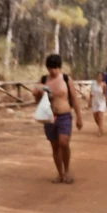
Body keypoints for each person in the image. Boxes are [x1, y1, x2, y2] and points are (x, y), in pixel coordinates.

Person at [32, 54, 83, 184]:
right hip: (49, 117)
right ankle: (60, 174)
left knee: (64, 143)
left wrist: (79, 117)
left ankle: (67, 171)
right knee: (55, 146)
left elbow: (75, 99)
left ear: (59, 67)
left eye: (55, 68)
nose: (53, 71)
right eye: (50, 68)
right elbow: (36, 97)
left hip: (64, 115)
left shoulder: (66, 79)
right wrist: (38, 95)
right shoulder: (43, 80)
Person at [89, 72, 107, 137]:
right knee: (96, 118)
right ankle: (101, 127)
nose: (99, 77)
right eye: (98, 76)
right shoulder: (93, 84)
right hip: (95, 101)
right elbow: (91, 94)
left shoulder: (104, 85)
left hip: (101, 101)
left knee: (100, 116)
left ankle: (99, 130)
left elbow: (105, 94)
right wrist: (89, 102)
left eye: (100, 76)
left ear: (102, 77)